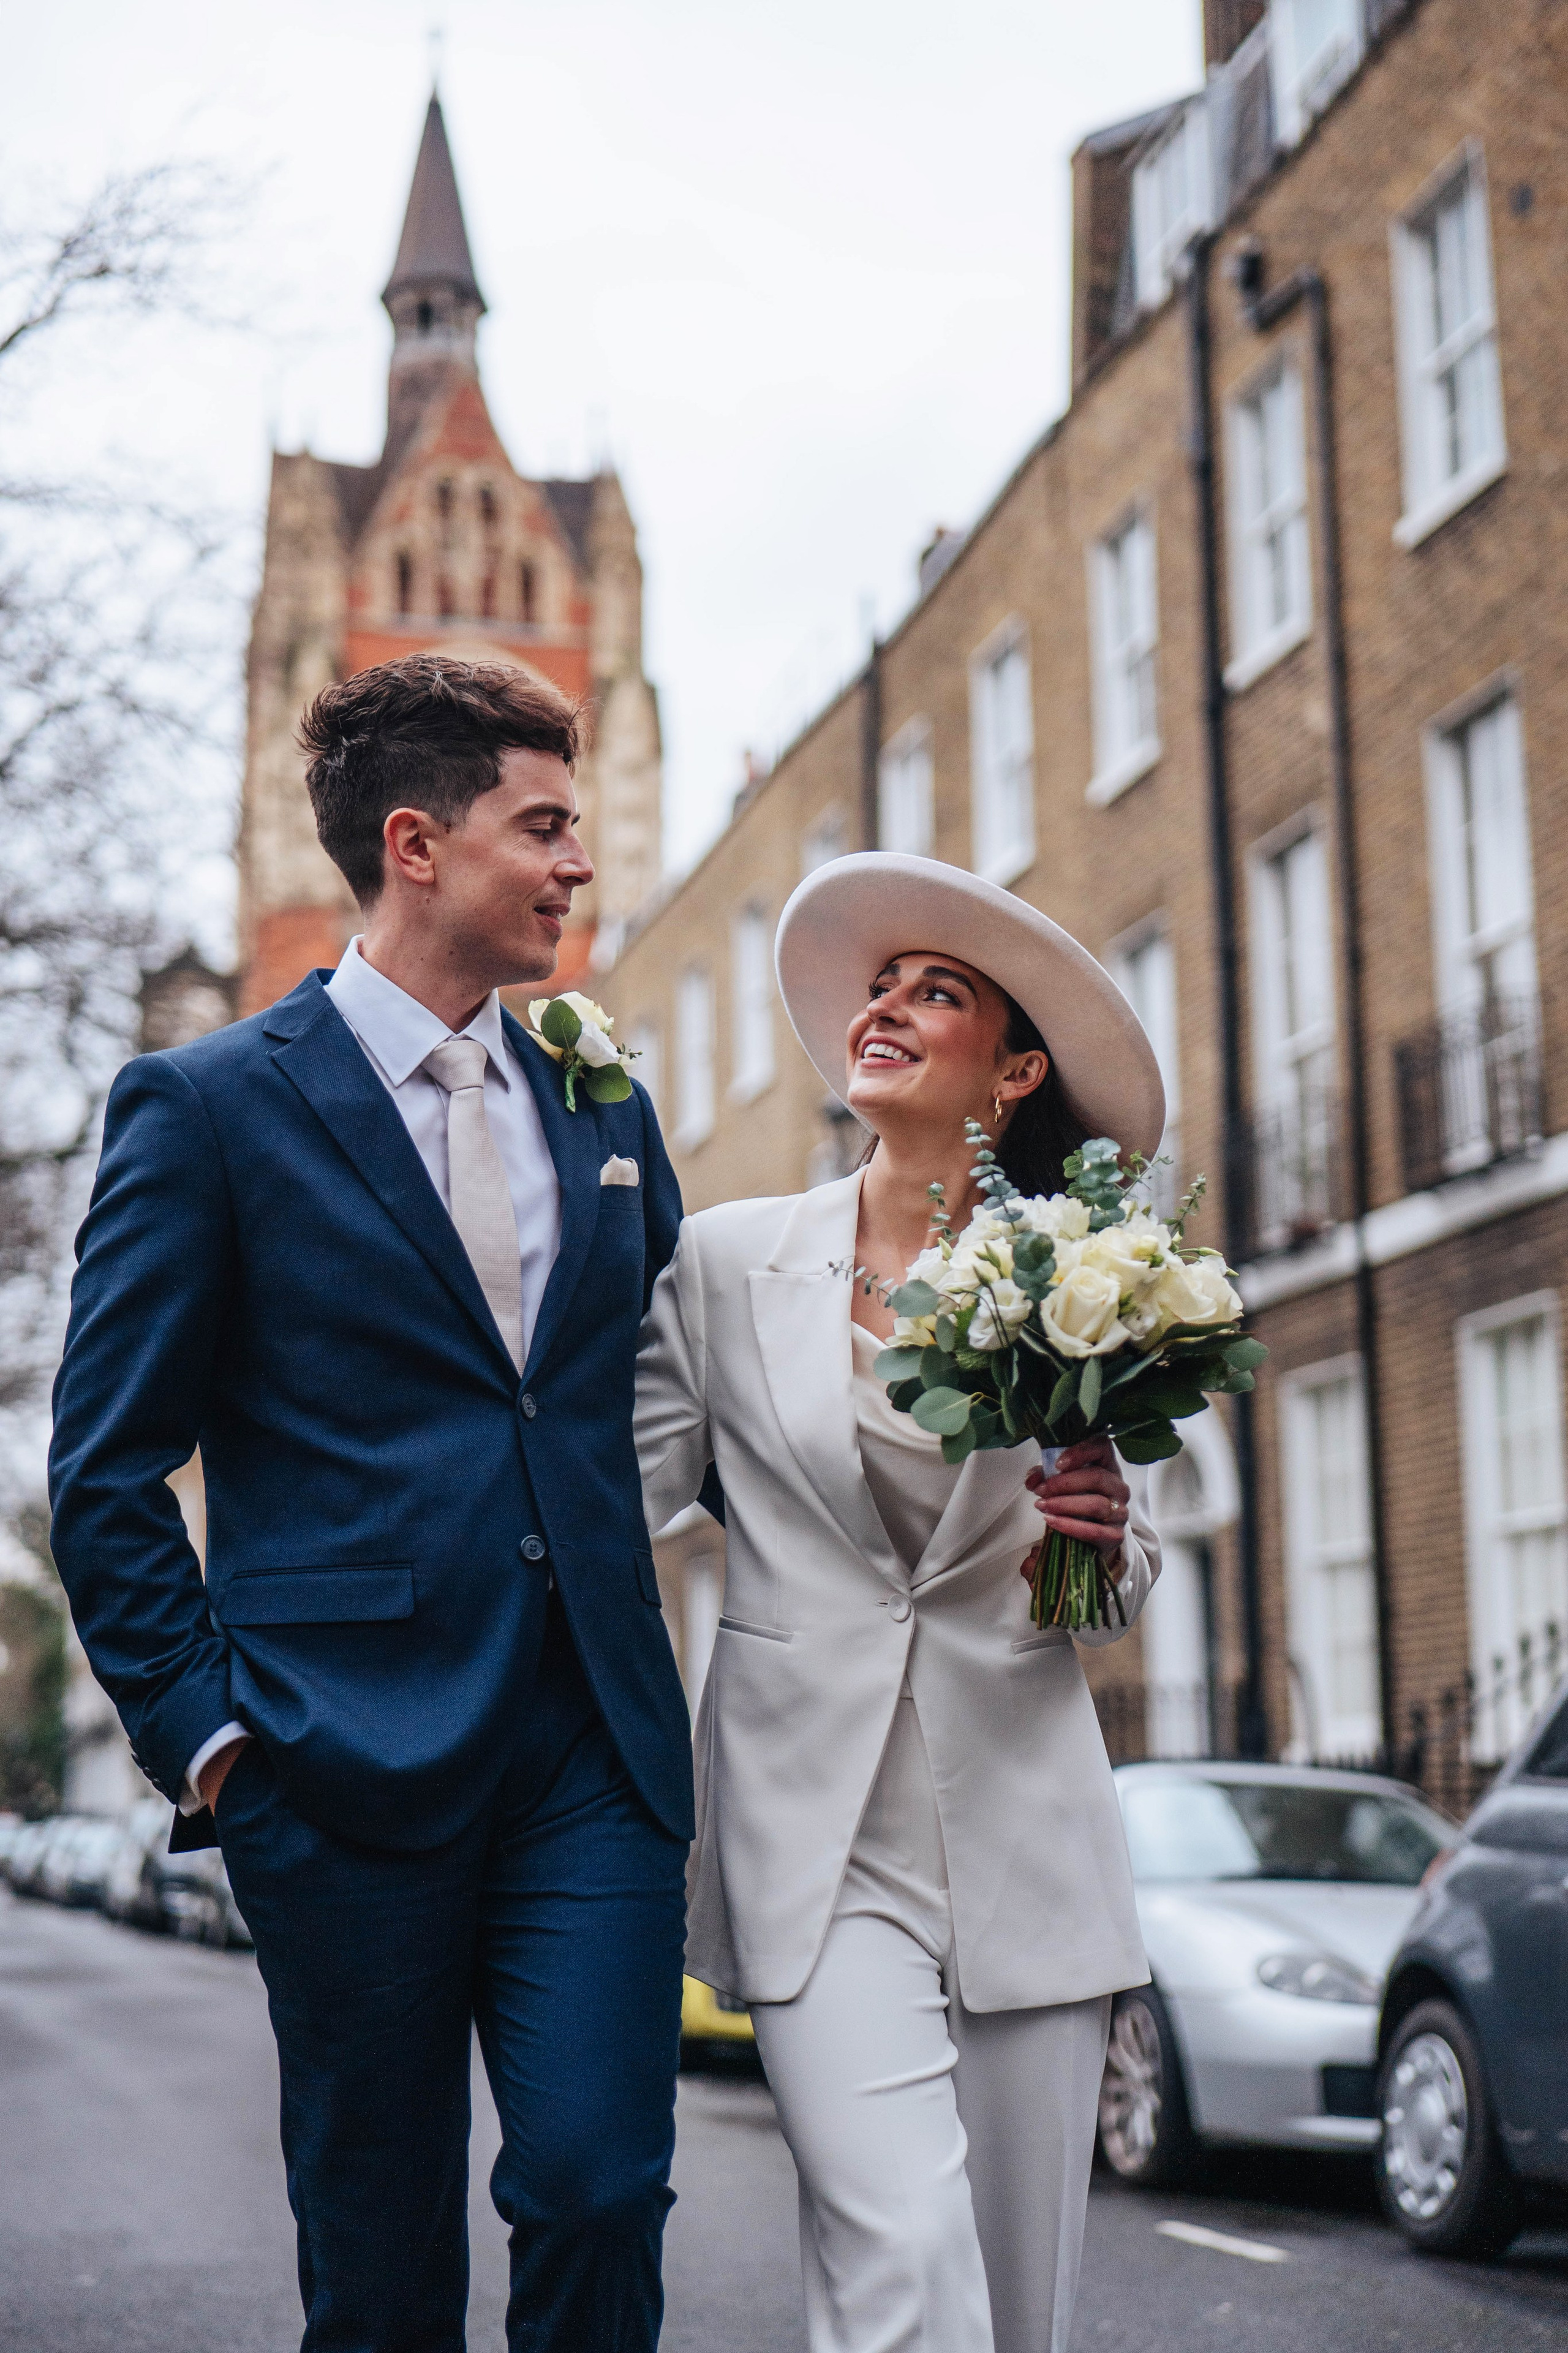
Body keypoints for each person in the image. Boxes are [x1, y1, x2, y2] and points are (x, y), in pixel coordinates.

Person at [48, 655, 696, 2353]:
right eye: (545, 826)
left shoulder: (600, 1098)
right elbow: (107, 1463)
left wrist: (994, 1428)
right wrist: (209, 1740)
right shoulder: (205, 1109)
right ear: (417, 843)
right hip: (334, 1765)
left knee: (598, 2184)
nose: (578, 866)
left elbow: (702, 1365)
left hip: (593, 1753)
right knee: (382, 2262)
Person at [636, 850, 1166, 2353]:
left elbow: (1107, 1590)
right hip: (814, 1843)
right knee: (902, 2250)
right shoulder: (729, 1263)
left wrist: (1094, 1527)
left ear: (1010, 1072)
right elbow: (609, 1491)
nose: (886, 1006)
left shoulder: (1088, 1279)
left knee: (1011, 2306)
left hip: (1019, 1837)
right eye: (878, 986)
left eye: (937, 992)